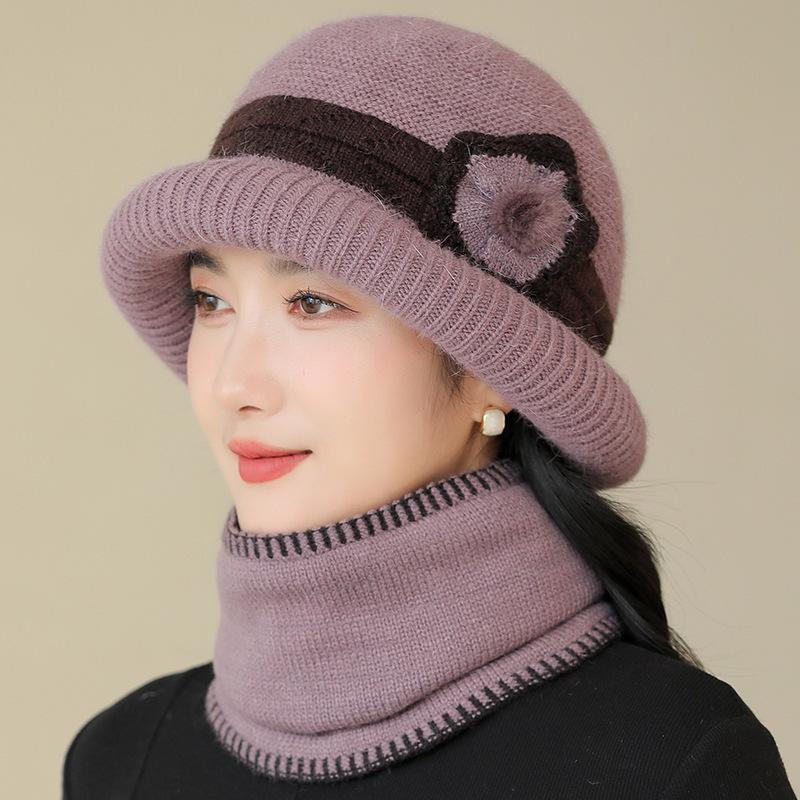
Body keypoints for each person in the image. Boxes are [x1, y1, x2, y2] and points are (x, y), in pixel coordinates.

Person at [62, 13, 796, 800]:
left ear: (495, 370)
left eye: (312, 302)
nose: (232, 385)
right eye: (211, 301)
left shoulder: (669, 761)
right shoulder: (119, 760)